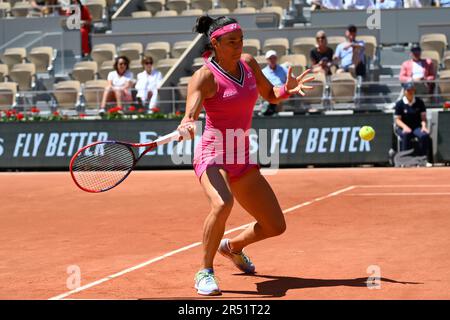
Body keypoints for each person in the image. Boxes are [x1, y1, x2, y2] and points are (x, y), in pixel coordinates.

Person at [176, 15, 314, 296]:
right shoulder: (204, 76)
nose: (238, 46)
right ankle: (204, 272)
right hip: (212, 152)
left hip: (240, 154)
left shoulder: (249, 64)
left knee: (275, 225)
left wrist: (286, 89)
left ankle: (233, 247)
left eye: (241, 40)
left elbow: (271, 94)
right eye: (231, 42)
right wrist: (186, 123)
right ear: (215, 43)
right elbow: (191, 112)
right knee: (222, 203)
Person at [394, 82, 430, 157]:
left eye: (412, 90)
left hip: (416, 127)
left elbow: (423, 118)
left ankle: (423, 158)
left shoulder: (420, 102)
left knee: (424, 136)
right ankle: (405, 159)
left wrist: (424, 126)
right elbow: (397, 120)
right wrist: (405, 127)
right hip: (402, 128)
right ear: (404, 91)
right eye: (408, 90)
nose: (410, 92)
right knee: (406, 134)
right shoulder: (399, 104)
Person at [261, 50, 288, 115]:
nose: (272, 60)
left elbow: (291, 79)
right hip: (269, 92)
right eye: (270, 58)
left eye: (274, 58)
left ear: (276, 59)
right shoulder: (263, 72)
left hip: (282, 91)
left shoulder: (283, 68)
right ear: (267, 60)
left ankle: (270, 110)